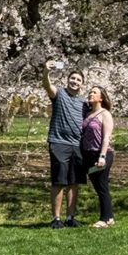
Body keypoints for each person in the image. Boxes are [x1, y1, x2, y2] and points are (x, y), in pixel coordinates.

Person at [42, 59, 86, 228]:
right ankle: (56, 218)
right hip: (59, 143)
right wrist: (46, 72)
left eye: (78, 80)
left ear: (82, 84)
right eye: (72, 78)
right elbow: (47, 86)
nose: (74, 82)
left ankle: (71, 217)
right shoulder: (59, 94)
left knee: (74, 183)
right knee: (59, 181)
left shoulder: (84, 103)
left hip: (77, 145)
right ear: (68, 80)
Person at [81, 85, 115, 228]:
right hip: (88, 154)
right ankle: (110, 217)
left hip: (101, 153)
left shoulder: (104, 114)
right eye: (90, 92)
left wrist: (102, 156)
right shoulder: (87, 114)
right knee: (98, 186)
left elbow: (106, 137)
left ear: (101, 98)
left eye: (94, 92)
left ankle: (105, 219)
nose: (90, 94)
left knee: (102, 186)